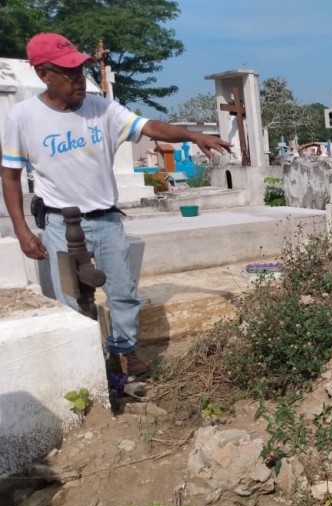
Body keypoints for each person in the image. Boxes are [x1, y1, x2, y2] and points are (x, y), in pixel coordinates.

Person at [1, 32, 231, 377]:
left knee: (123, 291)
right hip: (61, 224)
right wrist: (22, 231)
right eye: (69, 72)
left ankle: (125, 352)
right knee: (71, 297)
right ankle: (89, 364)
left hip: (106, 221)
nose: (79, 79)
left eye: (81, 70)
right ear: (43, 74)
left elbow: (148, 126)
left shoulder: (102, 109)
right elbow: (10, 176)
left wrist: (192, 135)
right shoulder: (23, 117)